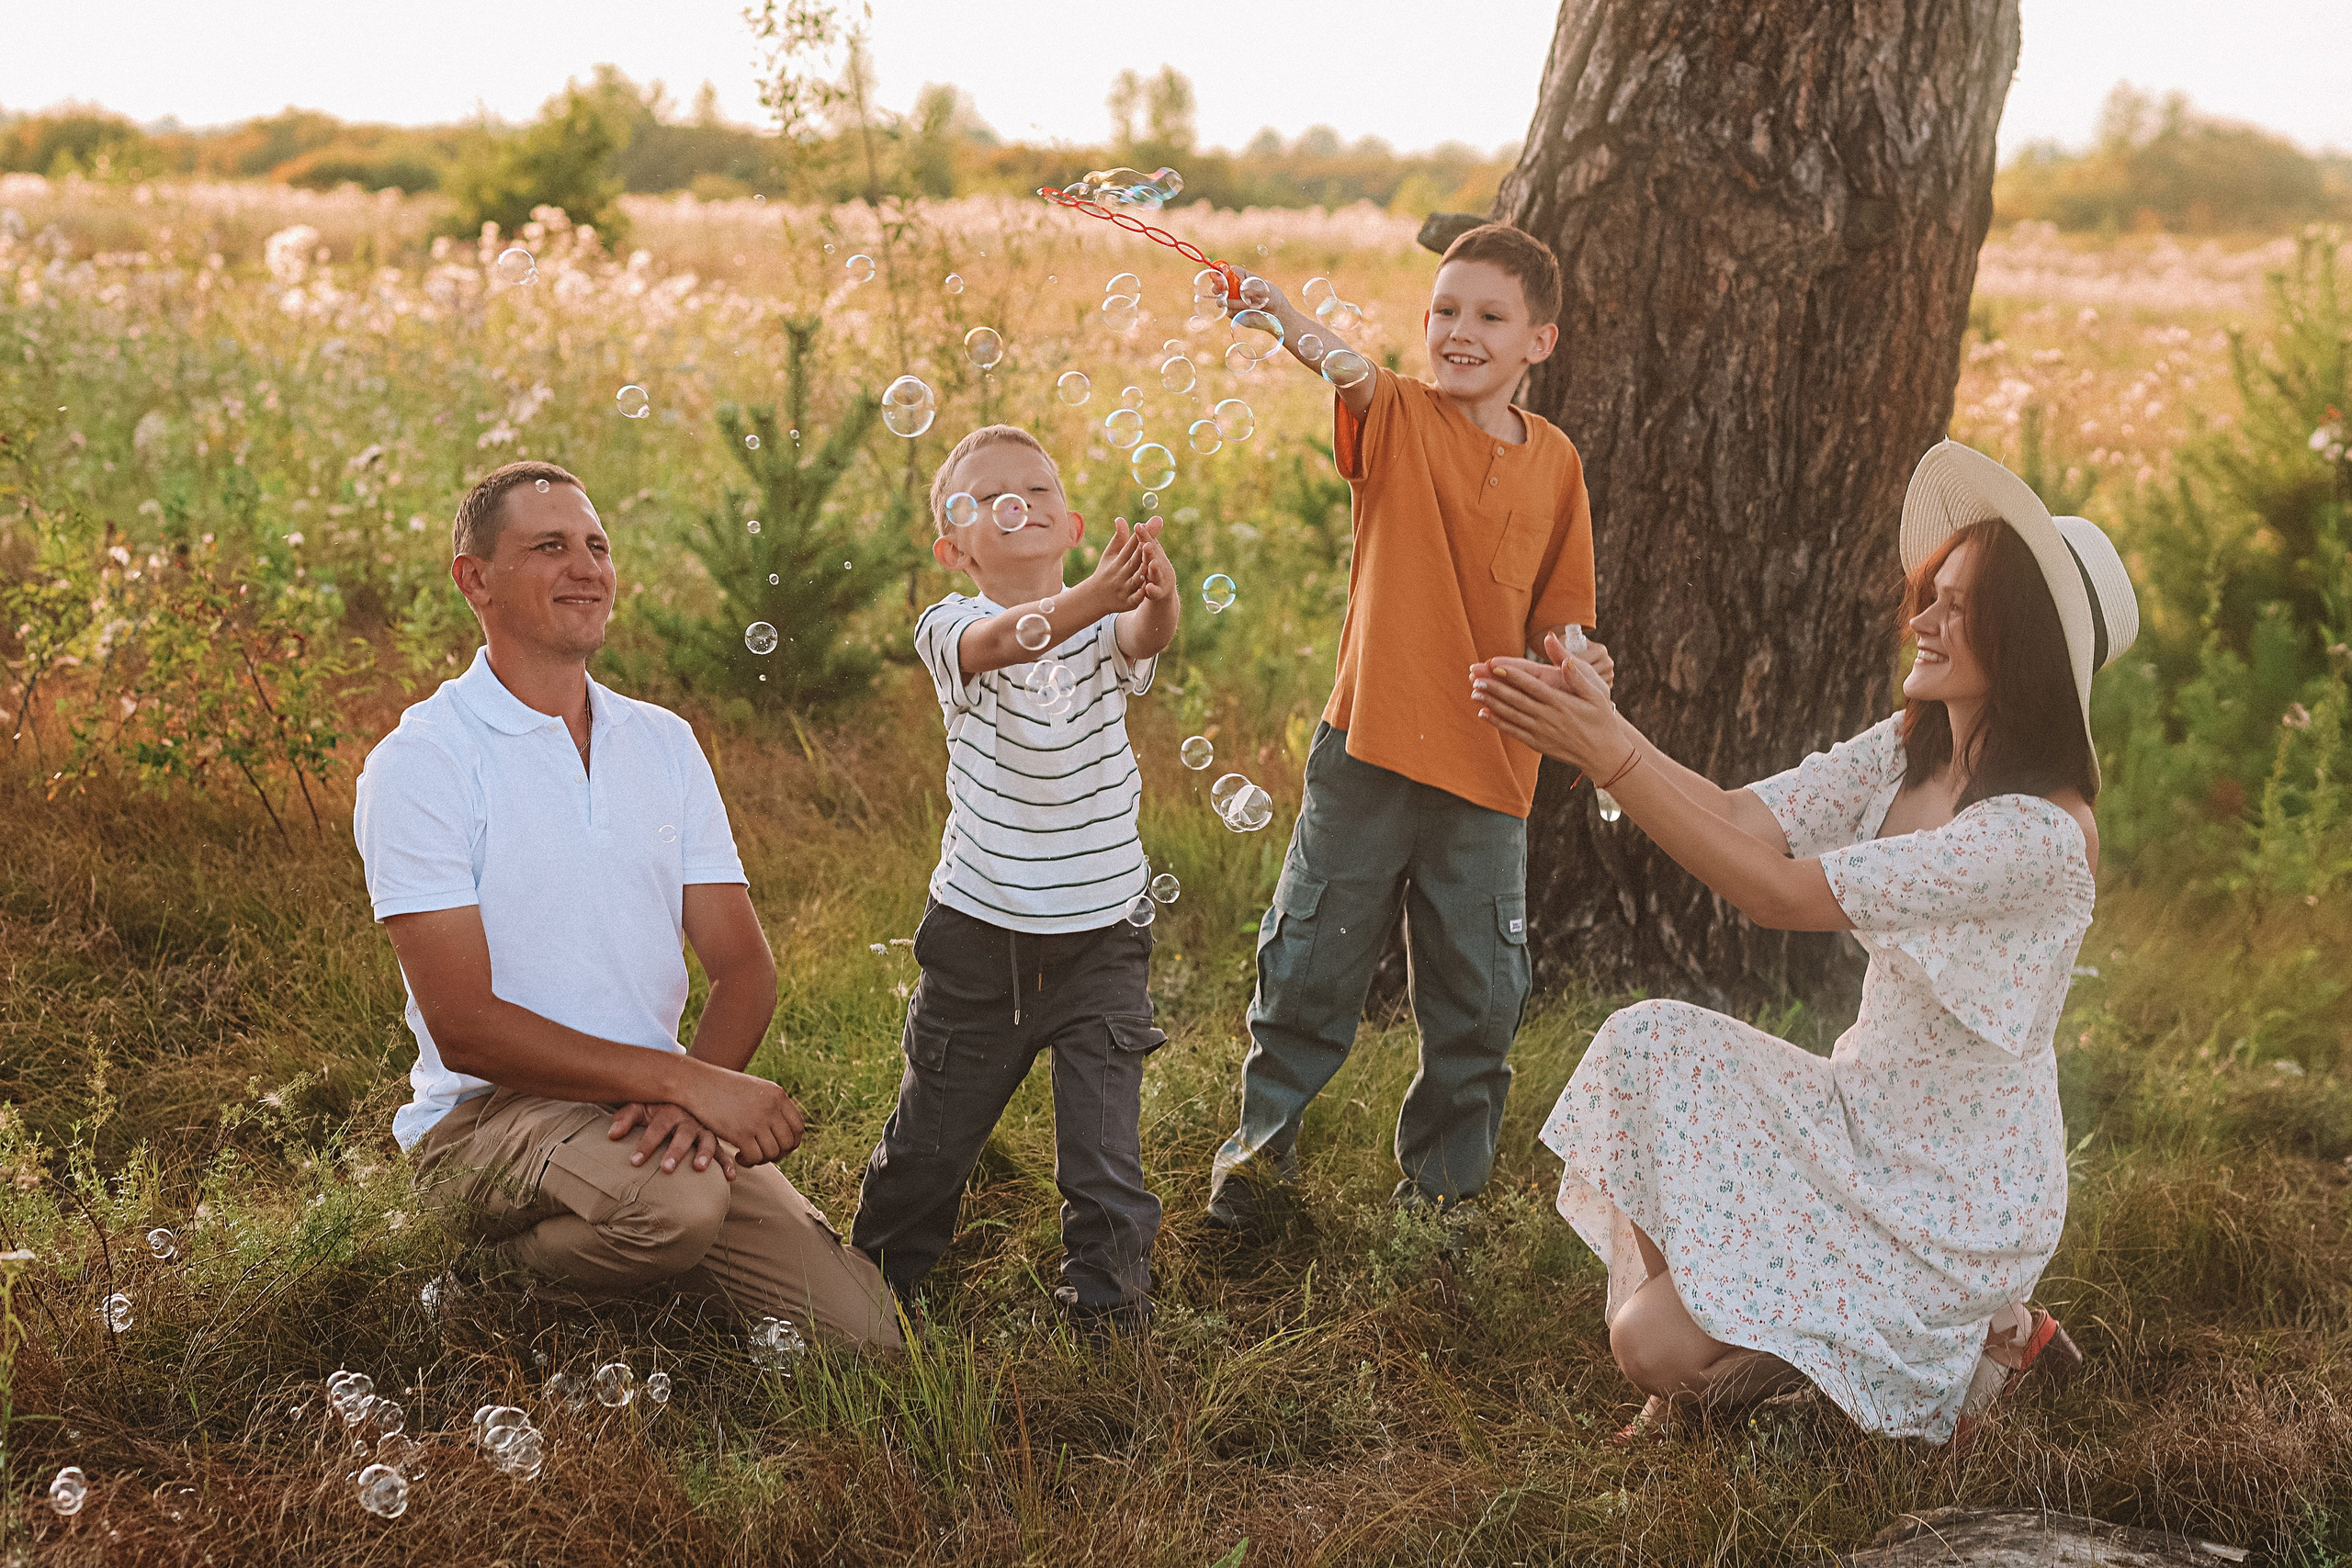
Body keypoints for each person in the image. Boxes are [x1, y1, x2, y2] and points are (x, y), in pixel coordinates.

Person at [1469, 440, 2140, 1448]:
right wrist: (1610, 730)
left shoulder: (2039, 836)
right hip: (1852, 1114)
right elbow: (1745, 823)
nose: (1920, 619)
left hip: (1955, 1194)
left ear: (2026, 639)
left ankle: (1961, 1348)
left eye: (1955, 606)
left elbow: (1776, 895)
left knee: (1648, 1343)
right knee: (1647, 1043)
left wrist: (1608, 755)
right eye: (1931, 593)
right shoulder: (1911, 745)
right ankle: (1821, 1355)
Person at [354, 459, 899, 1349]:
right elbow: (467, 1029)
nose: (587, 567)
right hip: (488, 1116)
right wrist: (685, 1083)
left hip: (641, 1107)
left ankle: (625, 1249)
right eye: (550, 546)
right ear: (475, 579)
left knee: (865, 1338)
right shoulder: (424, 762)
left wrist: (685, 1105)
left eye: (598, 546)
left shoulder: (663, 744)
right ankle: (472, 1283)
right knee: (676, 1209)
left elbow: (740, 967)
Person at [1204, 223, 1608, 1230]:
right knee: (1308, 968)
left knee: (1477, 998)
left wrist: (1579, 659)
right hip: (1370, 747)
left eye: (1487, 315)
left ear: (1538, 342)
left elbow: (1563, 612)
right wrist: (1277, 310)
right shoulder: (1398, 419)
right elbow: (1338, 361)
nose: (1457, 332)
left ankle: (1443, 1201)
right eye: (1443, 312)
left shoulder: (1556, 463)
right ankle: (1255, 1170)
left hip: (1490, 770)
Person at [850, 425, 1180, 1333]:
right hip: (979, 943)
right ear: (952, 547)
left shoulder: (1103, 626)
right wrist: (1095, 595)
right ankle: (876, 1289)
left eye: (1036, 490)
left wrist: (1154, 594)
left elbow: (1143, 632)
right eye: (992, 495)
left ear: (1072, 525)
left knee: (1105, 1157)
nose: (1018, 503)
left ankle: (1111, 1320)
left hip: (1104, 940)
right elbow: (1010, 642)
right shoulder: (951, 627)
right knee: (929, 1146)